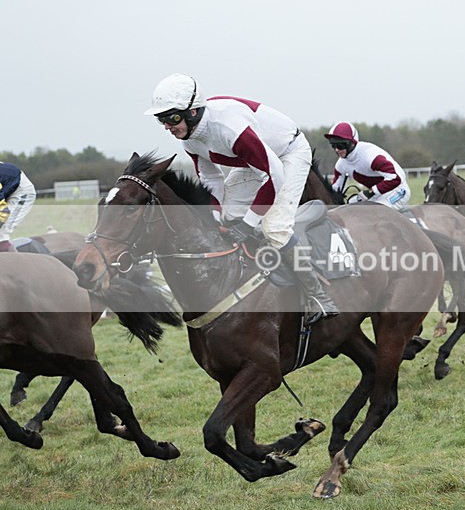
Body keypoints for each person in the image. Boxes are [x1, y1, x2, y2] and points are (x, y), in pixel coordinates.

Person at [144, 73, 338, 323]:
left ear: (193, 112)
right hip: (254, 162)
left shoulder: (228, 129)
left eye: (172, 118)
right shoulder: (190, 140)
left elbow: (273, 175)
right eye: (162, 120)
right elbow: (211, 181)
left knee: (275, 227)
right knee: (228, 217)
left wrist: (248, 224)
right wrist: (214, 217)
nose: (168, 126)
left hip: (287, 154)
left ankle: (319, 297)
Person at [324, 122, 410, 210]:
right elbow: (335, 189)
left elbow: (396, 178)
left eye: (340, 145)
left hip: (398, 190)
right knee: (350, 207)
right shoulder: (341, 165)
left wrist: (371, 192)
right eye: (333, 146)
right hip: (378, 194)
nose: (337, 150)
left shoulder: (370, 156)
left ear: (352, 143)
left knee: (375, 213)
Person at [0, 162, 37, 252]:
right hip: (8, 187)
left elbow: (3, 211)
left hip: (21, 192)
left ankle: (18, 264)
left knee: (2, 234)